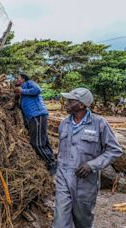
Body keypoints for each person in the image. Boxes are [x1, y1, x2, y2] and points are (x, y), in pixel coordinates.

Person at [54, 88, 123, 228]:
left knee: (83, 220)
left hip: (85, 182)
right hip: (63, 178)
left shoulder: (99, 124)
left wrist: (92, 165)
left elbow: (114, 150)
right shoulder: (64, 123)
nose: (66, 103)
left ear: (81, 105)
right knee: (60, 221)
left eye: (70, 101)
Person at [14, 73, 57, 175]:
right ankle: (52, 162)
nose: (16, 80)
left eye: (18, 78)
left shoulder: (29, 83)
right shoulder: (23, 94)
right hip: (34, 117)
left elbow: (38, 90)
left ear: (23, 79)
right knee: (44, 140)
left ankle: (52, 164)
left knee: (37, 143)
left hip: (37, 114)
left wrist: (22, 90)